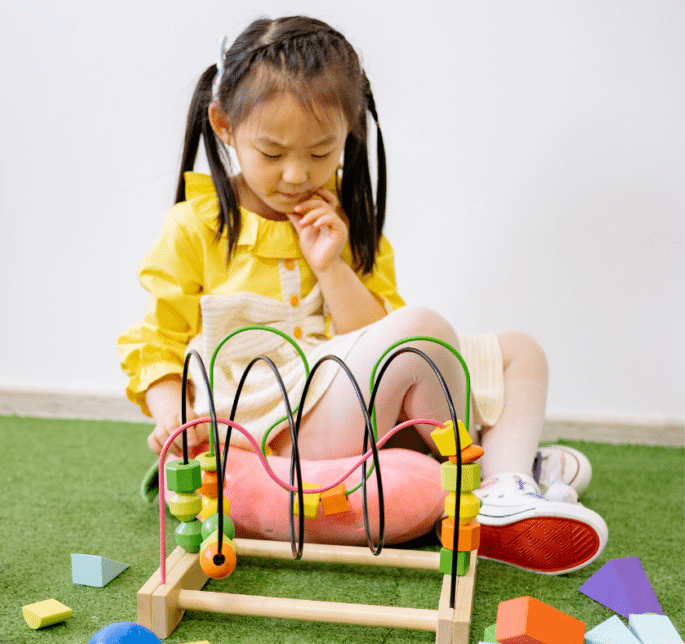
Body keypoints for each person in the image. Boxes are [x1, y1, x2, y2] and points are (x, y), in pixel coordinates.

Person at [118, 16, 607, 574]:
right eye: (272, 153)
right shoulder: (194, 227)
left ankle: (506, 485)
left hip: (350, 396)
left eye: (321, 151)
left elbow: (377, 341)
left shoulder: (346, 219)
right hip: (275, 431)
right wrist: (171, 415)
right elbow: (156, 339)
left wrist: (332, 268)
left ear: (349, 131)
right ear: (225, 126)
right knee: (423, 327)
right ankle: (503, 469)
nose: (297, 174)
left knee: (521, 350)